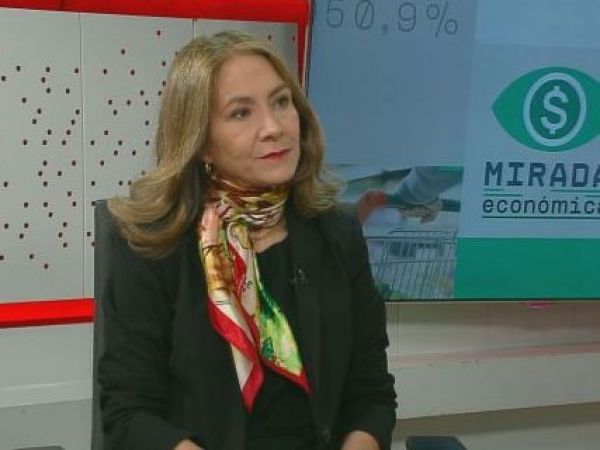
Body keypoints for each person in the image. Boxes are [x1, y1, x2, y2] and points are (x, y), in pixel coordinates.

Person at [97, 31, 397, 450]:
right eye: (241, 113)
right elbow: (129, 414)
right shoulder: (153, 245)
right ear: (200, 141)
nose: (274, 128)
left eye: (281, 102)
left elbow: (372, 396)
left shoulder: (337, 233)